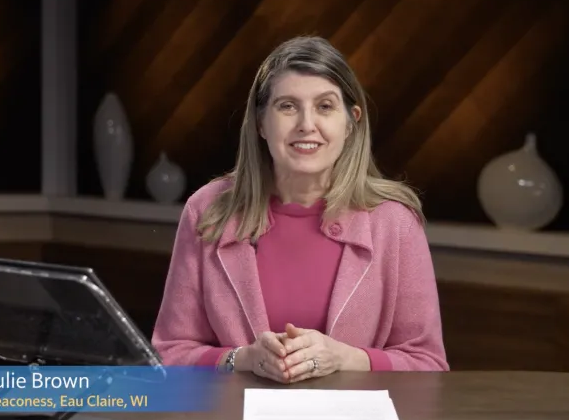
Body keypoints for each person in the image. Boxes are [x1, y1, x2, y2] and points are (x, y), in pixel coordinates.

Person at [151, 35, 449, 383]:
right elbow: (169, 353)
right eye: (288, 106)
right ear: (261, 123)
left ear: (351, 122)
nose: (307, 124)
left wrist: (346, 358)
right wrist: (242, 358)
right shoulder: (207, 211)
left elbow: (428, 364)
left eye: (325, 106)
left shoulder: (395, 223)